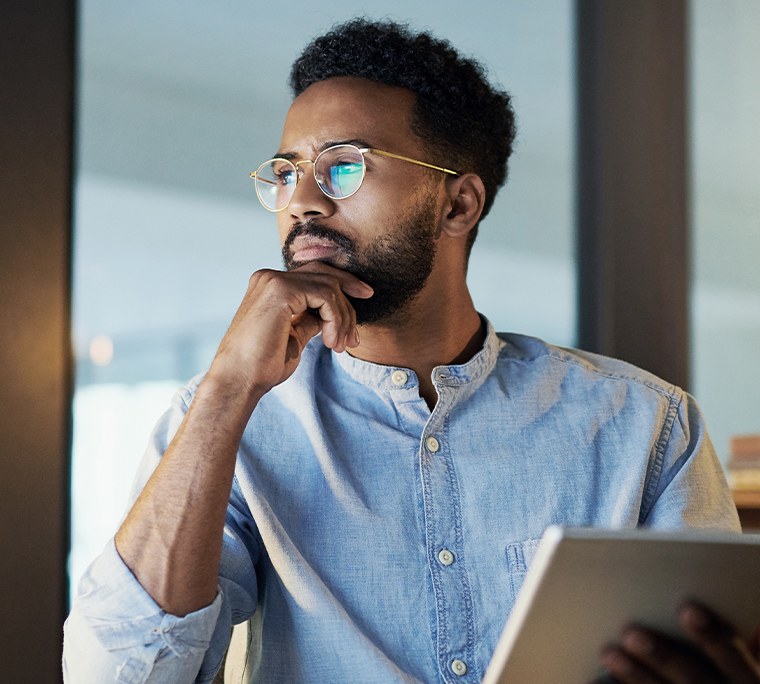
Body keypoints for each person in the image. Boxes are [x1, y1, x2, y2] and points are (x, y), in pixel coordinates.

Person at [63, 18, 757, 684]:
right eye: (287, 171)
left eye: (342, 168)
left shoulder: (647, 425)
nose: (301, 200)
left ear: (458, 205)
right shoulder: (233, 418)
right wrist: (225, 391)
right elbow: (121, 675)